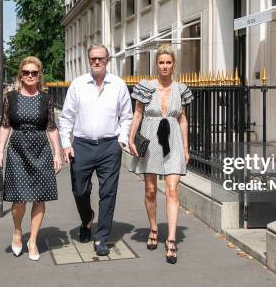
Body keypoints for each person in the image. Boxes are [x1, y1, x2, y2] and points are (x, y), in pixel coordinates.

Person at [58, 43, 133, 256]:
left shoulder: (118, 85)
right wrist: (66, 143)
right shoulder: (78, 84)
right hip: (81, 145)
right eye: (93, 59)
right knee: (79, 190)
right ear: (89, 60)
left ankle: (101, 238)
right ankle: (87, 219)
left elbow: (126, 116)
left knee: (108, 193)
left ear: (107, 60)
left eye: (101, 58)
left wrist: (121, 139)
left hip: (110, 146)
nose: (97, 62)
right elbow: (66, 117)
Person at [128, 44, 193, 264]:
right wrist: (130, 138)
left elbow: (183, 119)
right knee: (150, 190)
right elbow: (137, 115)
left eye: (168, 62)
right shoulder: (145, 87)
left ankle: (172, 239)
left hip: (173, 141)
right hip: (150, 140)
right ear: (156, 64)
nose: (165, 66)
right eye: (161, 62)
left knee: (172, 190)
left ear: (174, 64)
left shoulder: (181, 89)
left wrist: (185, 147)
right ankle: (154, 228)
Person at [0, 56, 62, 261]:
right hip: (17, 151)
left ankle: (32, 239)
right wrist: (0, 151)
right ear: (21, 76)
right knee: (19, 198)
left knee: (40, 197)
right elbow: (5, 125)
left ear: (39, 75)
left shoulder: (46, 98)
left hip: (41, 149)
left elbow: (51, 126)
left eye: (34, 73)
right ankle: (17, 230)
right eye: (26, 73)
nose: (30, 76)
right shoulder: (11, 97)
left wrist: (57, 152)